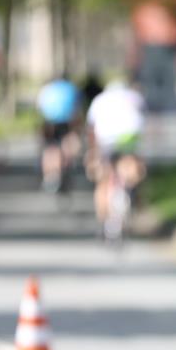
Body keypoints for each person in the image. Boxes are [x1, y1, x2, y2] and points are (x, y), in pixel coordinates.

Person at [85, 78, 147, 236]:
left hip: (107, 137)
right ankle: (131, 189)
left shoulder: (99, 100)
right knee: (131, 164)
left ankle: (103, 220)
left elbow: (91, 128)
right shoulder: (134, 96)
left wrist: (93, 151)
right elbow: (144, 117)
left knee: (104, 180)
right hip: (130, 136)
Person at [36, 76, 82, 192]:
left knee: (50, 148)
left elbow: (40, 107)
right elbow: (77, 107)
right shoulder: (71, 88)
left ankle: (50, 176)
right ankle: (66, 164)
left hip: (50, 122)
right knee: (67, 144)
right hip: (67, 121)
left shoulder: (47, 89)